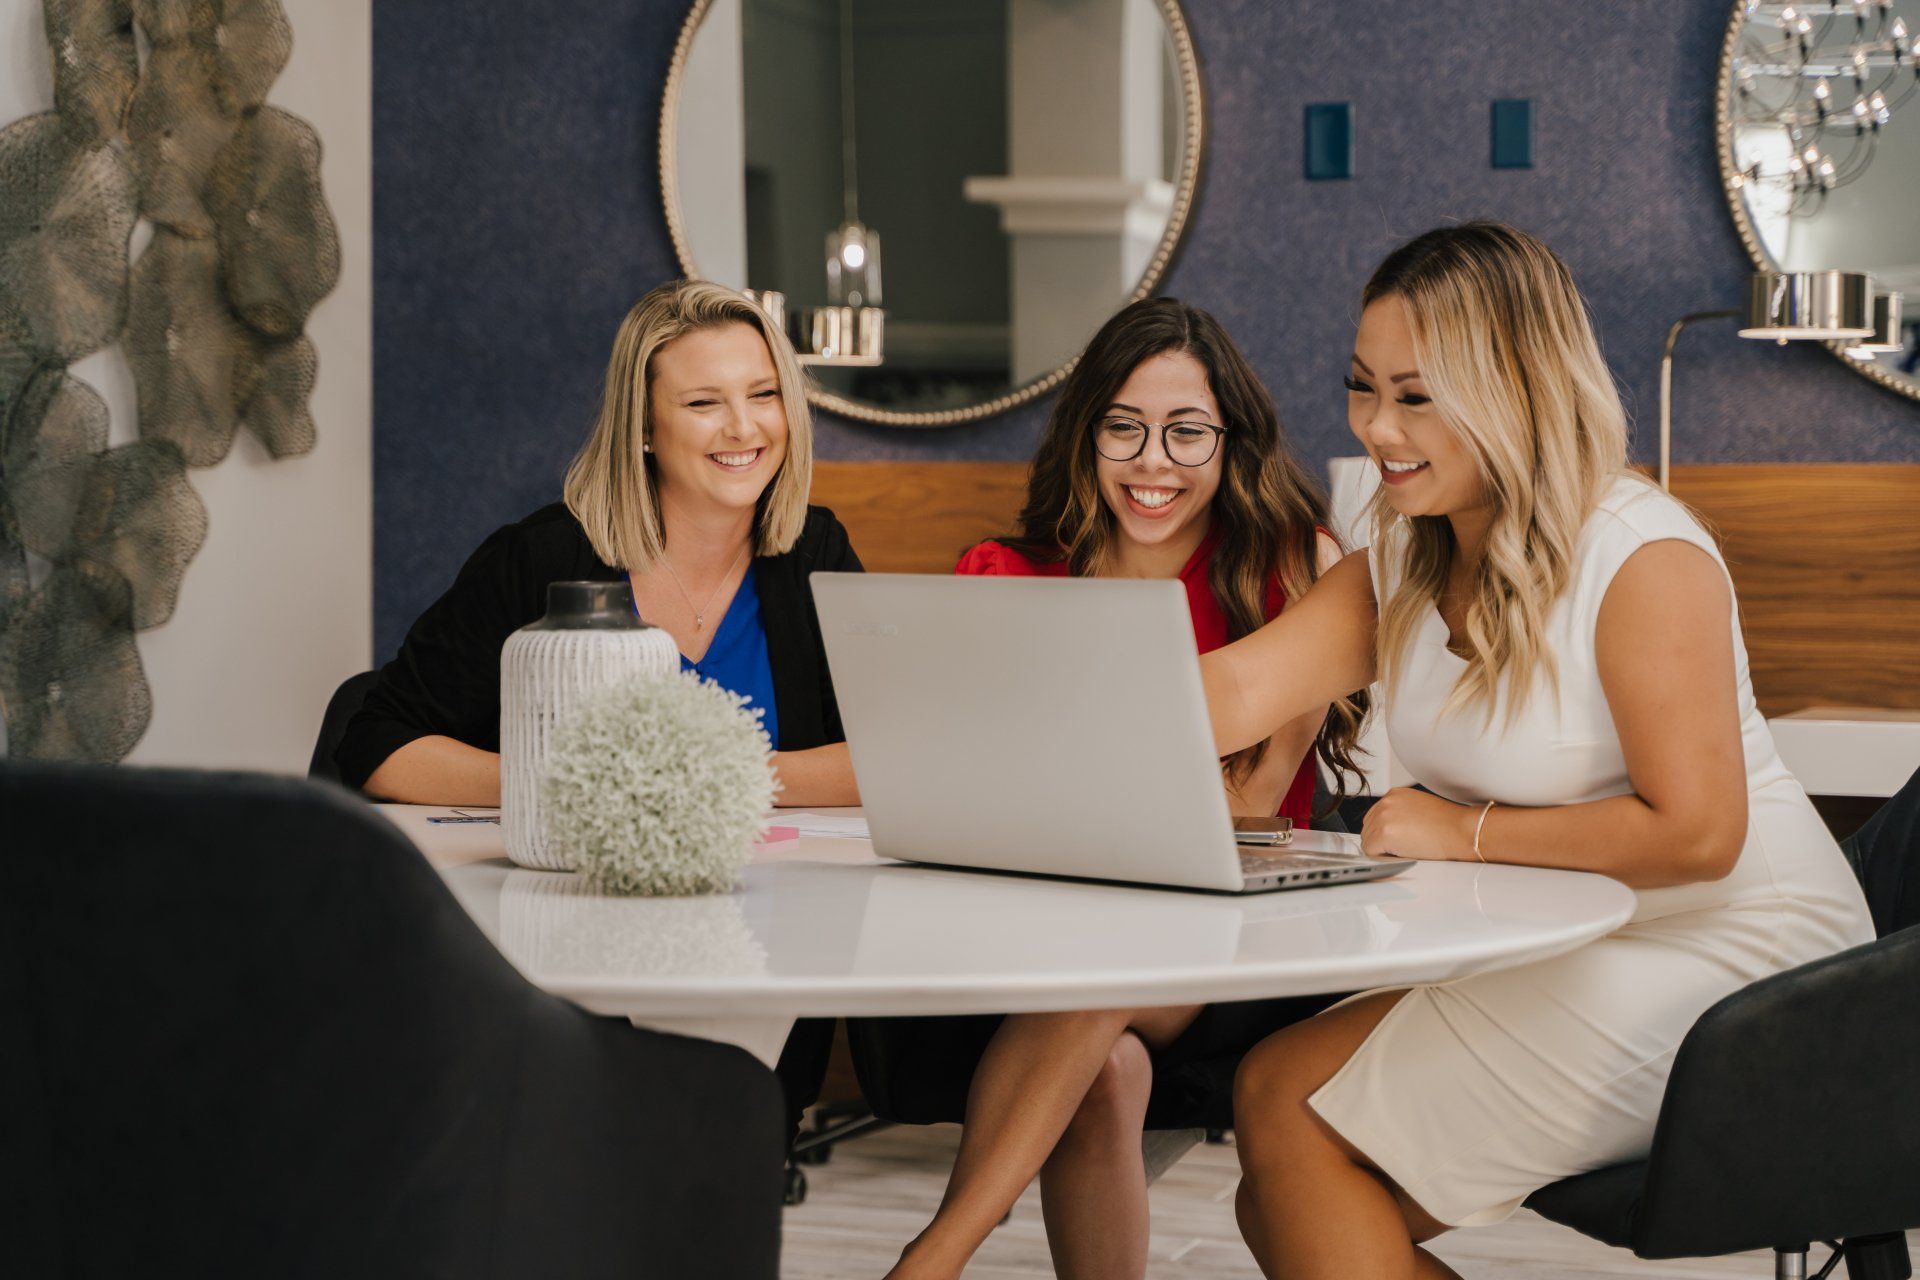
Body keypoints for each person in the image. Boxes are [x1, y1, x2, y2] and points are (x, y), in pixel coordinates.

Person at [1194, 223, 1874, 1279]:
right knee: (1284, 1140)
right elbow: (1231, 690)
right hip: (1587, 940)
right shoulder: (1405, 552)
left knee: (1290, 1117)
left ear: (1516, 383)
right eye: (1362, 385)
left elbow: (1699, 833)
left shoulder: (1640, 554)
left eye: (1417, 395)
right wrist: (990, 721)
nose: (1376, 426)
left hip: (1749, 964)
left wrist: (1461, 832)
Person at [879, 297, 1363, 1280]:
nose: (1155, 461)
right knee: (1106, 1064)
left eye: (1187, 431)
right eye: (1125, 427)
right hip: (1036, 927)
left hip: (1230, 936)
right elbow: (963, 785)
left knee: (1104, 960)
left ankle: (932, 1257)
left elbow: (1257, 805)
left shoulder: (1294, 571)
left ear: (1231, 440)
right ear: (1086, 431)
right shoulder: (1004, 575)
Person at [334, 277, 862, 1129]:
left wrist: (707, 784)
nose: (744, 428)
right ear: (644, 427)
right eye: (703, 402)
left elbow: (890, 763)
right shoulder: (541, 557)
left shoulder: (813, 553)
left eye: (764, 395)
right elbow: (378, 743)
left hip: (761, 937)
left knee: (720, 1164)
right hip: (559, 953)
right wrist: (588, 796)